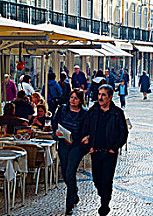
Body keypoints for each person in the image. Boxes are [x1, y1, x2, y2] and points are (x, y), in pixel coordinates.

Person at [81, 85, 128, 216]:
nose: (100, 97)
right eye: (99, 94)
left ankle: (105, 204)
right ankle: (103, 195)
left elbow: (123, 133)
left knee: (107, 179)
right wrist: (87, 144)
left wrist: (114, 148)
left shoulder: (117, 113)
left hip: (109, 152)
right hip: (95, 151)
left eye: (103, 95)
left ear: (110, 97)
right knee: (96, 179)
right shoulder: (93, 111)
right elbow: (85, 127)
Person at [52, 89, 88, 215]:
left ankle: (69, 204)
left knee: (70, 172)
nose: (73, 100)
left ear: (80, 100)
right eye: (71, 97)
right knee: (65, 172)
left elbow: (91, 129)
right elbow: (54, 123)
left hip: (77, 146)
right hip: (64, 143)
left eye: (76, 98)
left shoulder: (85, 113)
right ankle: (75, 193)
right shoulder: (62, 109)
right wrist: (56, 132)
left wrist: (87, 137)